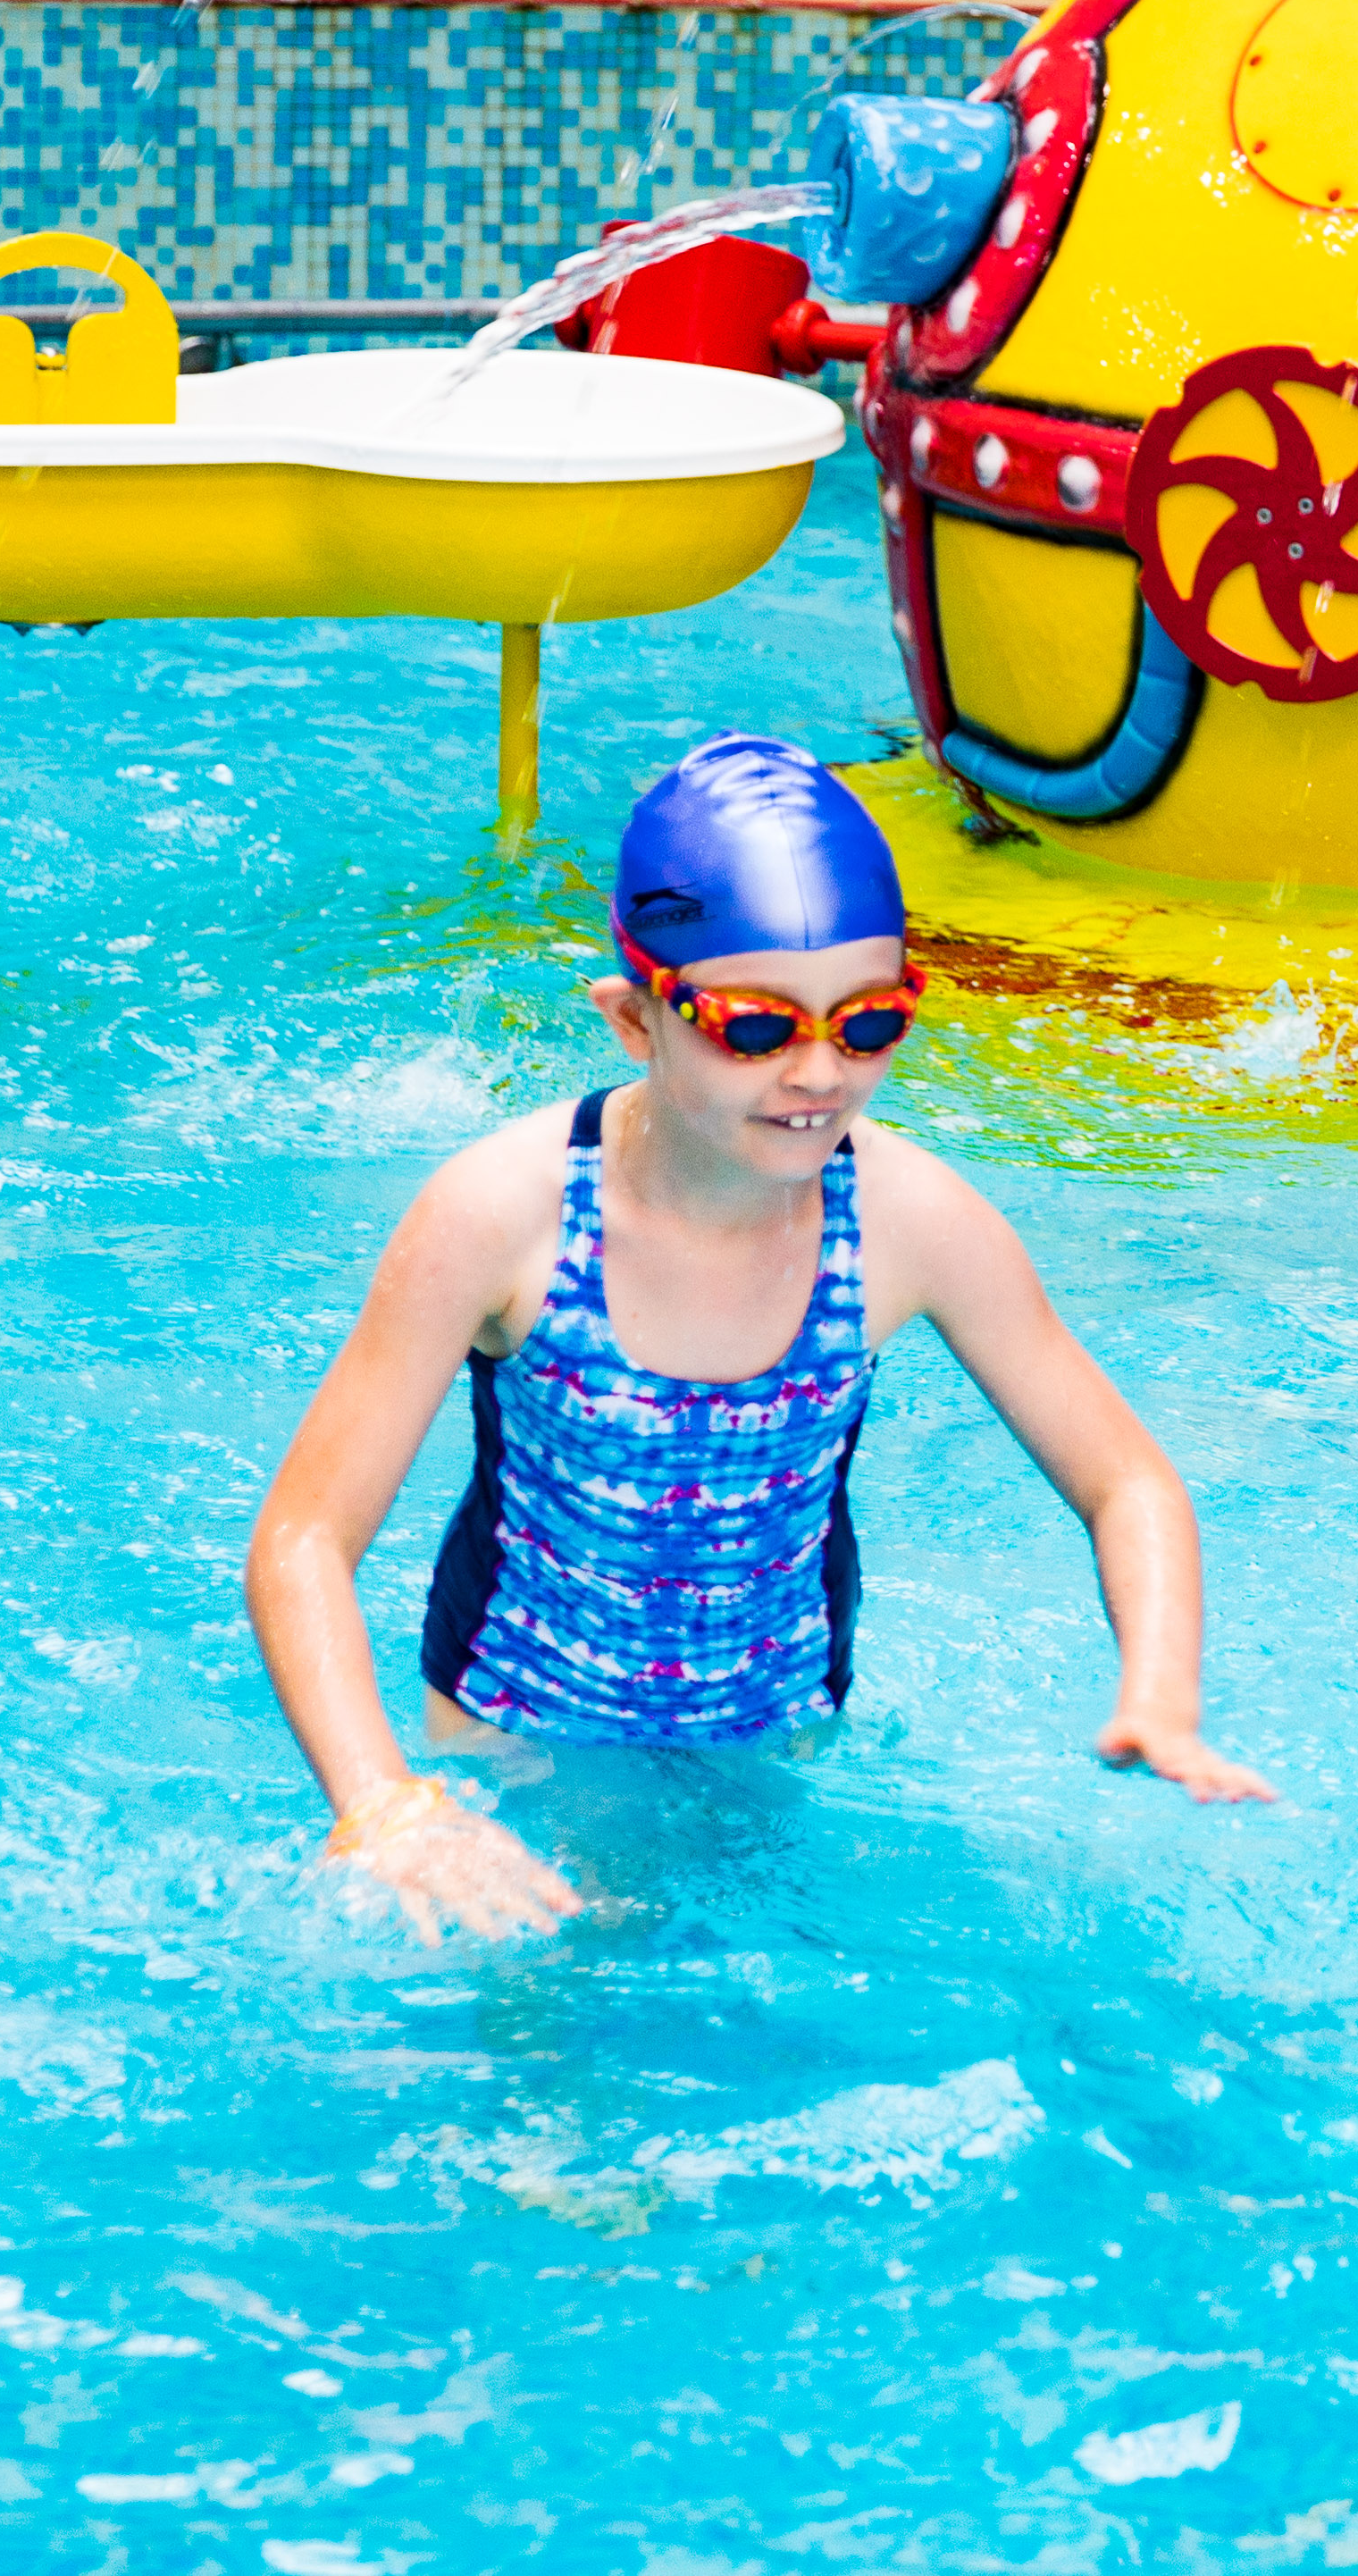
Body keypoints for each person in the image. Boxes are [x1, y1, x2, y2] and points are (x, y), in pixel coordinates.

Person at [244, 733, 1270, 1942]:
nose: (818, 1072)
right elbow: (304, 1539)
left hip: (773, 1749)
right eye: (753, 1028)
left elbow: (1125, 1477)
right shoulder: (500, 1216)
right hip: (511, 1760)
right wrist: (383, 1804)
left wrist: (1159, 1689)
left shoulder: (906, 1218)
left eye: (869, 1022)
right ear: (634, 1018)